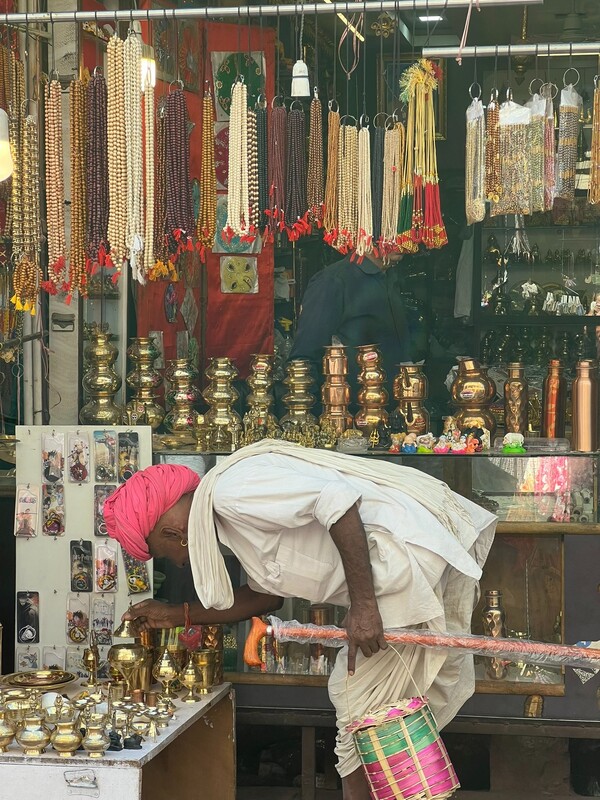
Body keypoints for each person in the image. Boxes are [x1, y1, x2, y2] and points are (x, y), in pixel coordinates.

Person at [105, 440, 496, 800]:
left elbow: (338, 504)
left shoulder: (233, 492)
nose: (178, 561)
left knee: (359, 706)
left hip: (403, 566)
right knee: (371, 711)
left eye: (166, 551)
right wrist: (176, 616)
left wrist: (362, 606)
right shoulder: (226, 521)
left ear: (172, 530)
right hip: (396, 578)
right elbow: (265, 597)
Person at [289, 252, 427, 406]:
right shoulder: (333, 281)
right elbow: (304, 358)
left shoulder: (390, 277)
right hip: (351, 416)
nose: (403, 241)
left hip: (393, 411)